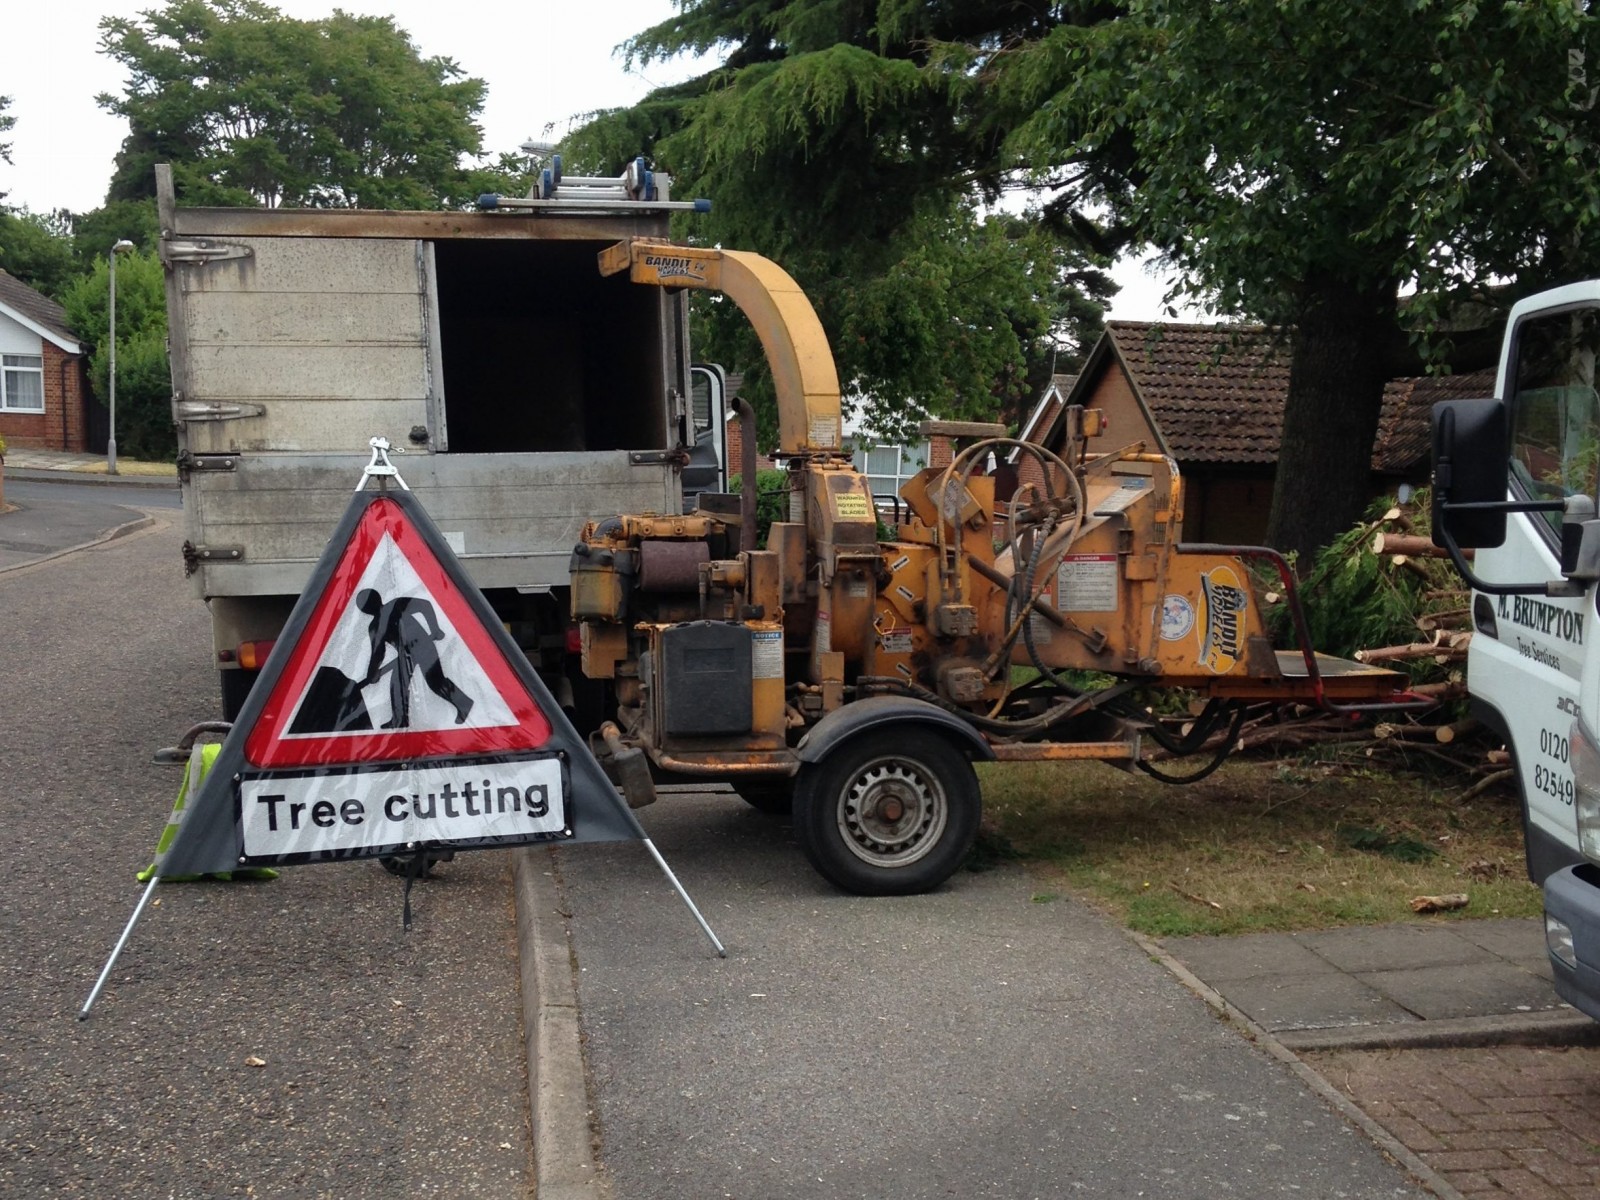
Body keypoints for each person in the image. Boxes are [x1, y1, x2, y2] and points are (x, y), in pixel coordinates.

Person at [356, 588, 474, 728]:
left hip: (423, 646)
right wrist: (372, 673)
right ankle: (400, 720)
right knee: (398, 684)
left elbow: (424, 605)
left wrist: (435, 628)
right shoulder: (376, 626)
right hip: (405, 656)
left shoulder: (395, 606)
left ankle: (463, 703)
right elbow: (378, 653)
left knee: (435, 681)